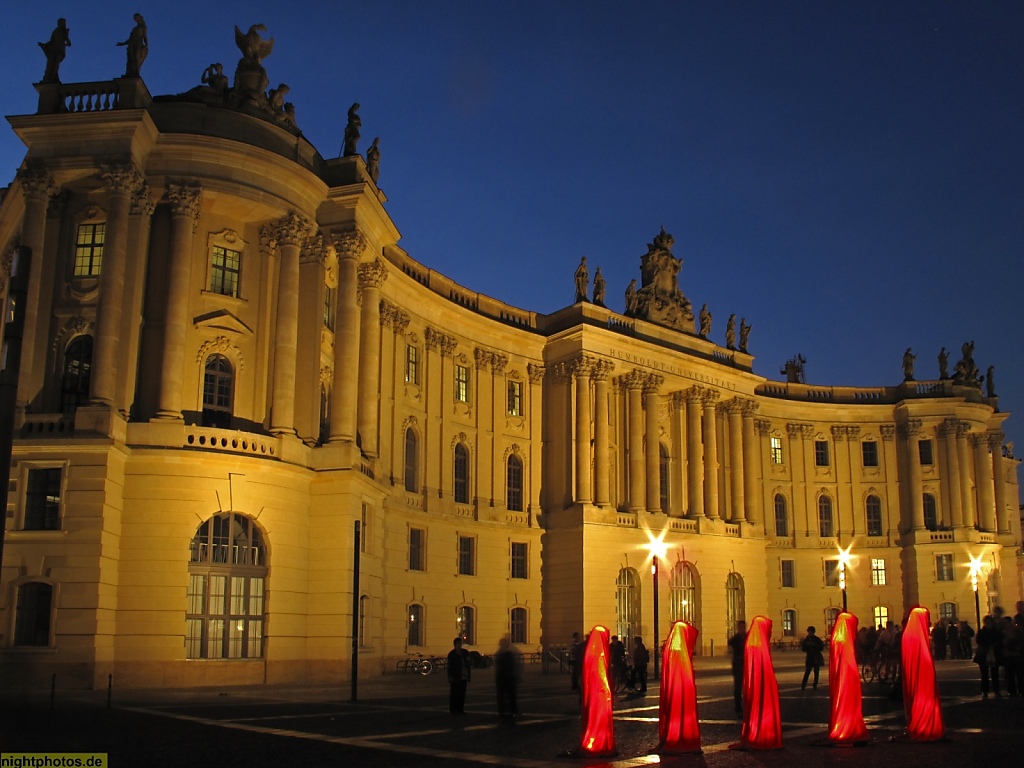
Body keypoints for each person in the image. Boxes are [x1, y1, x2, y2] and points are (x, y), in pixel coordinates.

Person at [974, 615, 1002, 698]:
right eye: (986, 622)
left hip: (990, 653)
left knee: (994, 673)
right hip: (985, 653)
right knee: (985, 674)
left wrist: (991, 645)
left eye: (988, 622)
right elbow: (979, 641)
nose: (987, 624)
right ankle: (985, 690)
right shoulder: (984, 631)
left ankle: (994, 690)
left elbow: (999, 641)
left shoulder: (991, 632)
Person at [494, 635, 519, 722]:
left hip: (506, 678)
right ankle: (508, 711)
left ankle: (507, 711)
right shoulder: (506, 655)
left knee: (508, 696)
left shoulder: (501, 654)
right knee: (508, 696)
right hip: (506, 678)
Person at [39, 18, 71, 83]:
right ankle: (51, 77)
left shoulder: (64, 31)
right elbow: (51, 41)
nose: (59, 24)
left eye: (61, 22)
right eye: (59, 22)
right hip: (54, 49)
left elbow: (69, 43)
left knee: (56, 62)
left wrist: (64, 44)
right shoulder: (55, 30)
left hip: (60, 49)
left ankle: (53, 76)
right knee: (51, 62)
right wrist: (44, 44)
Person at [117, 13, 148, 78]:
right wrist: (122, 43)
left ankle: (136, 72)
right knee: (130, 59)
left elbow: (144, 36)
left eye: (136, 18)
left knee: (136, 58)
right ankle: (129, 73)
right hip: (131, 44)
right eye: (135, 18)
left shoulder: (143, 27)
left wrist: (146, 45)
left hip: (138, 43)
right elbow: (130, 38)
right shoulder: (134, 29)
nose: (136, 19)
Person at [446, 636, 471, 713]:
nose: (459, 645)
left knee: (462, 693)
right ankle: (453, 709)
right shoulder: (452, 654)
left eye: (460, 643)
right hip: (455, 676)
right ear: (455, 644)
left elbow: (469, 662)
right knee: (454, 693)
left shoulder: (465, 652)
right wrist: (449, 676)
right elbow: (449, 666)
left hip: (464, 675)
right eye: (458, 644)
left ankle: (460, 709)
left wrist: (469, 661)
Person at [728, 620, 746, 716]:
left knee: (747, 686)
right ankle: (738, 706)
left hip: (745, 663)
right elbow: (730, 644)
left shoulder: (747, 637)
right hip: (738, 664)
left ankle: (747, 705)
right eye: (740, 627)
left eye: (743, 627)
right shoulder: (736, 638)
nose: (742, 629)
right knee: (738, 686)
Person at [800, 625, 825, 690]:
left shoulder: (816, 639)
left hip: (816, 657)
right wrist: (808, 646)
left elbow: (821, 647)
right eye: (809, 632)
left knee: (816, 672)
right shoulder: (806, 639)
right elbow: (803, 648)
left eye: (810, 632)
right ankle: (803, 684)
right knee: (807, 672)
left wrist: (814, 646)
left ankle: (815, 684)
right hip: (810, 657)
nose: (810, 633)